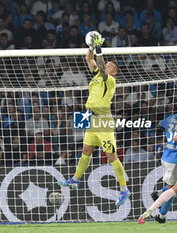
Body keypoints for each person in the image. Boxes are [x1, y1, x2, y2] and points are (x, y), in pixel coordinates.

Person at [58, 32, 131, 206]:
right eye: (108, 63)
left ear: (113, 71)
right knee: (86, 150)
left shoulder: (110, 80)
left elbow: (98, 61)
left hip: (104, 121)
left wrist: (100, 51)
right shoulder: (98, 74)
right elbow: (89, 59)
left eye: (110, 64)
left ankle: (124, 189)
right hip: (92, 119)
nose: (108, 64)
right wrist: (92, 47)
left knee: (111, 156)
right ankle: (76, 179)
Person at [152, 98, 177, 223]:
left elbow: (159, 124)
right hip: (175, 160)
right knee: (173, 190)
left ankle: (159, 194)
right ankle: (161, 216)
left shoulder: (169, 118)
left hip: (166, 156)